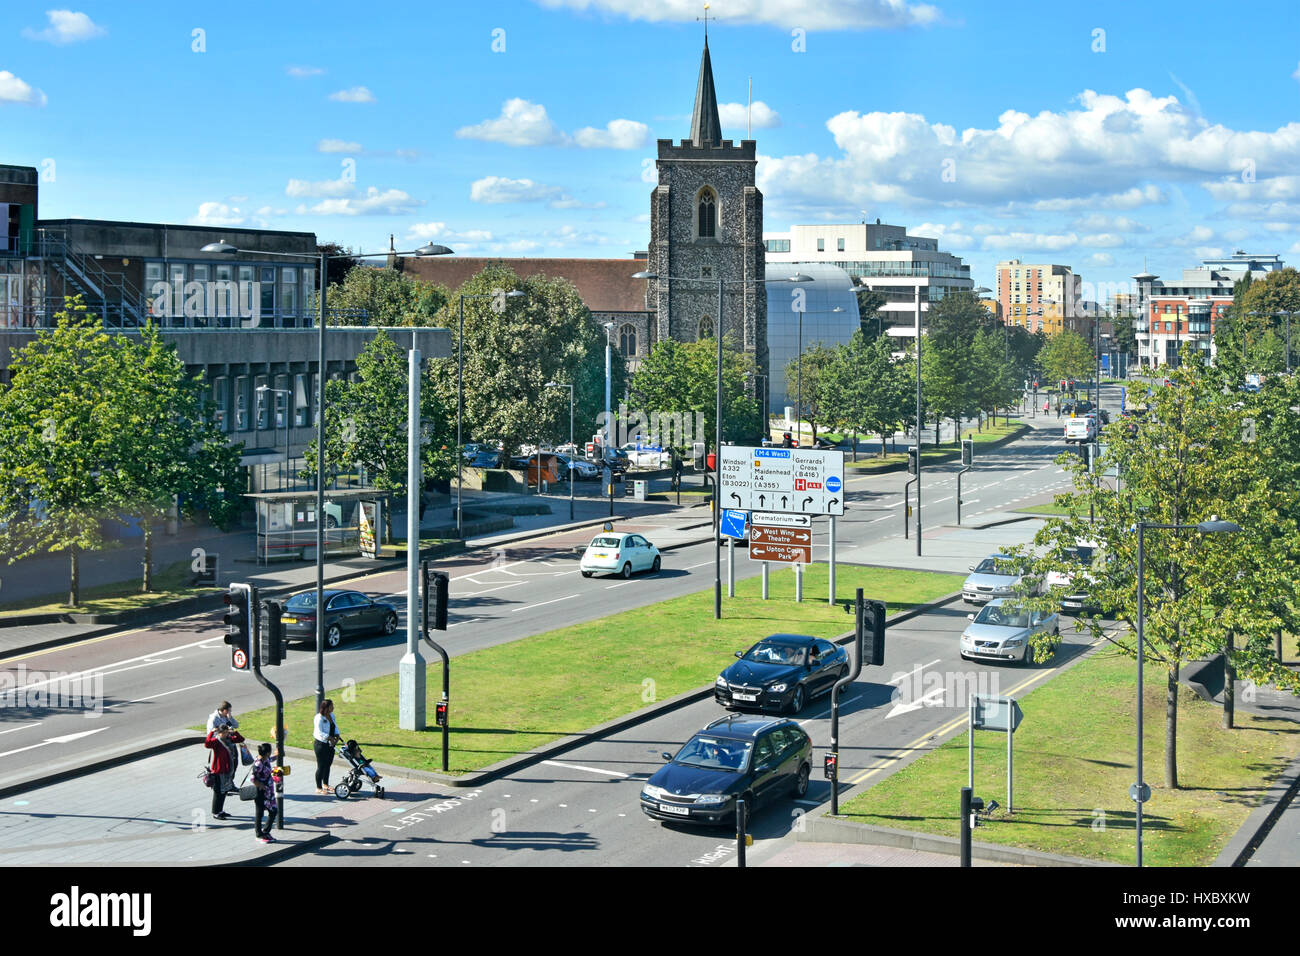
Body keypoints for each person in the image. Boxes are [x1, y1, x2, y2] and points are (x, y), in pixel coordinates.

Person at [205, 725, 244, 820]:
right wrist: (211, 732)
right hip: (218, 771)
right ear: (219, 733)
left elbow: (241, 739)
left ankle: (220, 810)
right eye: (224, 733)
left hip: (227, 770)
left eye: (227, 732)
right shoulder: (216, 741)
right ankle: (215, 812)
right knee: (218, 792)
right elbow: (207, 744)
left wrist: (234, 732)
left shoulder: (229, 739)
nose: (226, 734)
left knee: (224, 791)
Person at [251, 743, 278, 843]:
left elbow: (270, 760)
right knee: (261, 812)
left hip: (269, 792)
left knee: (273, 810)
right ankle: (260, 834)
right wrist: (262, 786)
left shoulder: (265, 759)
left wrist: (277, 755)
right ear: (267, 753)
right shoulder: (258, 764)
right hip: (261, 793)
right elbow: (252, 778)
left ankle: (265, 832)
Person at [206, 701, 240, 779]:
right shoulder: (213, 719)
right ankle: (225, 784)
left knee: (234, 763)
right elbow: (211, 735)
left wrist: (230, 718)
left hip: (230, 744)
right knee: (226, 766)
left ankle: (231, 783)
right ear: (224, 710)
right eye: (229, 711)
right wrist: (224, 733)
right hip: (222, 746)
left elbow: (236, 725)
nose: (230, 712)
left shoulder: (226, 717)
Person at [313, 699, 340, 794]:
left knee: (328, 765)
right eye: (331, 706)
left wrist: (337, 736)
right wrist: (329, 737)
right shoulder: (319, 718)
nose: (333, 707)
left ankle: (326, 784)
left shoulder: (332, 715)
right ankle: (318, 787)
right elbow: (318, 732)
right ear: (326, 708)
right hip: (321, 745)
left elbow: (335, 727)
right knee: (321, 766)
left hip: (330, 745)